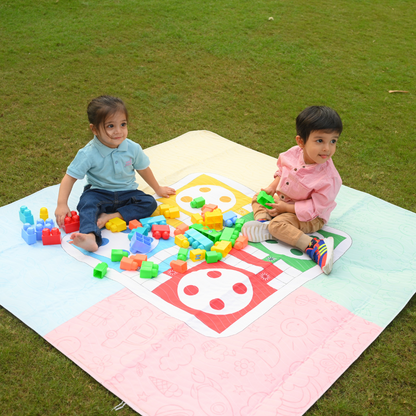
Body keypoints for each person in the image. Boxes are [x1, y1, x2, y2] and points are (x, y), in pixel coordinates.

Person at [55, 95, 175, 252]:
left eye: (123, 124)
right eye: (110, 126)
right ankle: (90, 236)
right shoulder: (88, 153)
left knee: (149, 203)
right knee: (86, 205)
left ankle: (111, 216)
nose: (118, 131)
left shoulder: (133, 148)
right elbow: (69, 178)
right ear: (94, 129)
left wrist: (158, 189)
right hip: (99, 193)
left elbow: (143, 169)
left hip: (128, 193)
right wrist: (61, 204)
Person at [242, 106, 343, 275]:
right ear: (301, 142)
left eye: (333, 141)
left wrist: (285, 209)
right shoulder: (293, 154)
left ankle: (315, 246)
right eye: (320, 141)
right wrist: (271, 188)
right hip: (285, 202)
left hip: (311, 216)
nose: (327, 148)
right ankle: (263, 222)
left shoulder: (328, 178)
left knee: (278, 225)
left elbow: (316, 207)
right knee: (258, 197)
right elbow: (282, 172)